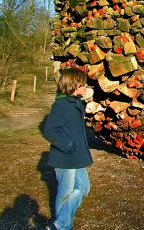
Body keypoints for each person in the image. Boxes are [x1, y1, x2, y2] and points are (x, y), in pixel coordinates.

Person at [42, 68, 93, 230]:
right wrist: (68, 145)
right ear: (73, 85)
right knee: (65, 192)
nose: (85, 87)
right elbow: (50, 129)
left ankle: (60, 224)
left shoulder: (74, 102)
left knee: (83, 188)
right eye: (82, 84)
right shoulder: (61, 104)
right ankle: (61, 226)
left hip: (77, 155)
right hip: (66, 156)